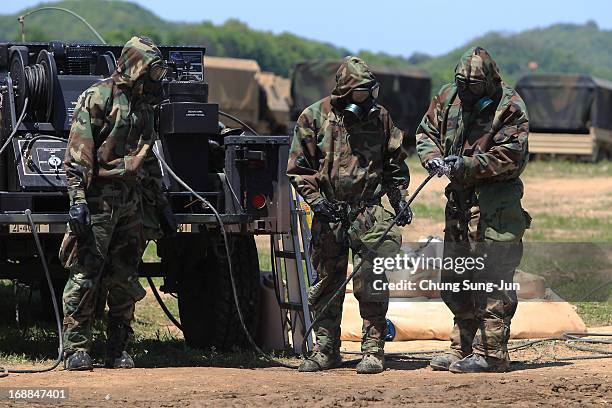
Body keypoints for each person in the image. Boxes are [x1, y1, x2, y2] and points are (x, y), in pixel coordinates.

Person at [287, 56, 412, 374]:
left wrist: (399, 200)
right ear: (344, 92)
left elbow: (394, 163)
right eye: (360, 93)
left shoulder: (380, 118)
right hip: (329, 215)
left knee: (372, 282)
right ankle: (326, 349)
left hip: (367, 214)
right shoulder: (314, 116)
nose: (367, 99)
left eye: (370, 92)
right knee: (327, 283)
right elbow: (299, 169)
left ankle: (373, 350)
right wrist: (316, 202)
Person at [416, 46, 531, 373]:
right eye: (460, 83)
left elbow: (512, 157)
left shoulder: (509, 106)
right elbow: (425, 133)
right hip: (459, 205)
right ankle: (462, 349)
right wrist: (433, 158)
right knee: (455, 278)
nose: (464, 91)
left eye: (472, 86)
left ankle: (491, 354)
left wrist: (467, 165)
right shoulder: (447, 97)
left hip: (494, 205)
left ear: (490, 83)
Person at [59, 36, 170, 371]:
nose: (156, 78)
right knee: (87, 272)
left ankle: (117, 346)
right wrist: (77, 200)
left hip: (131, 201)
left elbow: (147, 159)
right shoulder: (98, 97)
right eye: (151, 69)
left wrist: (161, 203)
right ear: (136, 66)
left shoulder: (144, 106)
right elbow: (78, 156)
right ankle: (76, 347)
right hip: (98, 201)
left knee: (124, 276)